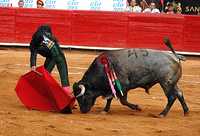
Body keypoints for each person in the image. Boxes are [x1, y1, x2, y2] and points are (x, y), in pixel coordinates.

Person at [29, 25, 73, 97]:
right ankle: (65, 93)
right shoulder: (47, 40)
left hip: (55, 56)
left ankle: (64, 94)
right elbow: (33, 51)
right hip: (54, 56)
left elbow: (56, 55)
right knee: (54, 76)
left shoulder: (46, 40)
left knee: (46, 75)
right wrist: (33, 65)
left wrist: (34, 66)